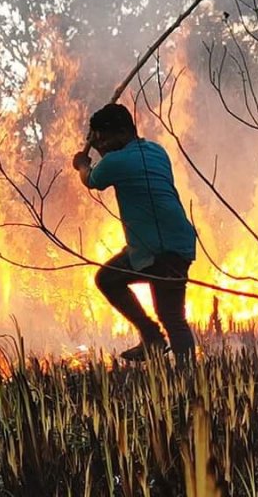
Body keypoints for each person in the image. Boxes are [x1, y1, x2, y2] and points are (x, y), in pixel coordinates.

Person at [72, 103, 197, 363]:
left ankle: (160, 346)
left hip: (159, 250)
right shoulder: (156, 151)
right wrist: (99, 145)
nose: (101, 146)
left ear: (119, 134)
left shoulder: (117, 162)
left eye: (102, 139)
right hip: (178, 242)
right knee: (171, 315)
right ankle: (162, 348)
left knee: (111, 282)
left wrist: (83, 162)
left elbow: (91, 179)